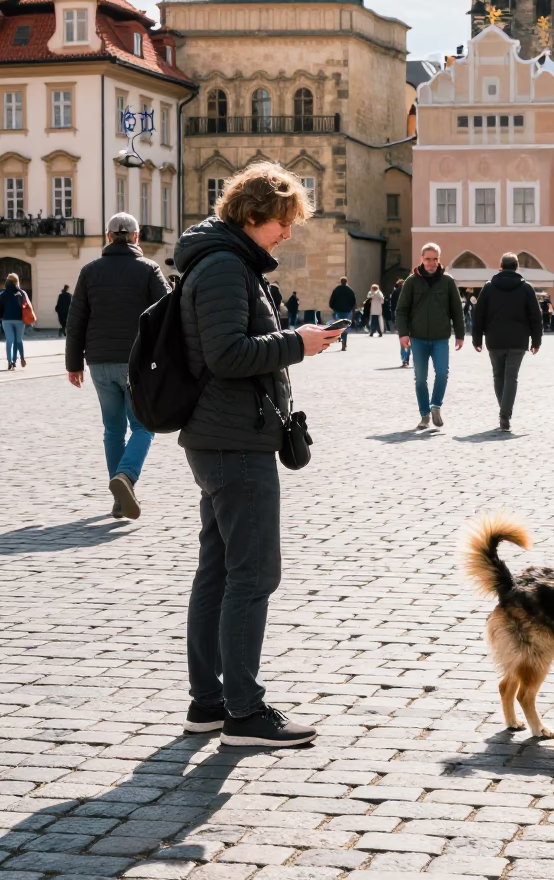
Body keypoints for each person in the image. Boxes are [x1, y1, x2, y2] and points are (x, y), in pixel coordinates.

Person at [176, 161, 340, 747]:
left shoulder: (226, 260)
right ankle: (243, 712)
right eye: (282, 222)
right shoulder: (224, 267)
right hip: (234, 441)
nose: (288, 233)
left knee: (219, 571)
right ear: (252, 216)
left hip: (225, 437)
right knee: (252, 574)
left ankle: (209, 704)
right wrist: (298, 342)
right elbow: (227, 354)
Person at [65, 214, 170, 519]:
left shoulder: (89, 271)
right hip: (137, 362)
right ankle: (125, 477)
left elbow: (76, 322)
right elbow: (165, 316)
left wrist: (74, 363)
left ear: (109, 237)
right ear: (136, 237)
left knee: (112, 429)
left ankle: (120, 497)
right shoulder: (149, 269)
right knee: (143, 426)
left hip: (99, 361)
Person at [395, 242, 465, 430]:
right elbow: (401, 310)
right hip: (417, 338)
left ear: (439, 260)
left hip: (440, 337)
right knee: (420, 379)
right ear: (422, 259)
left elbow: (457, 310)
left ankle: (436, 406)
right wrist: (403, 334)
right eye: (428, 259)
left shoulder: (448, 281)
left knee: (442, 373)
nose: (431, 263)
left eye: (435, 259)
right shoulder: (411, 281)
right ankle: (424, 414)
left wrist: (460, 334)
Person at [472, 252, 542, 431]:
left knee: (498, 376)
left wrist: (477, 338)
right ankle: (505, 414)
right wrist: (536, 341)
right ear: (517, 267)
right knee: (512, 377)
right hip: (518, 339)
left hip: (495, 339)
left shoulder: (488, 287)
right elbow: (536, 316)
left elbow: (478, 314)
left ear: (500, 267)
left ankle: (504, 411)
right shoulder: (526, 288)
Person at [0, 273, 30, 369]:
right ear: (17, 281)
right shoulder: (21, 293)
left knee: (9, 340)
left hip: (6, 320)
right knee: (18, 340)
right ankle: (18, 358)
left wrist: (2, 316)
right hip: (19, 320)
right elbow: (28, 306)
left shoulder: (2, 294)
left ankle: (10, 361)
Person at [328, 276, 356, 350]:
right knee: (345, 327)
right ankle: (344, 342)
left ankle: (339, 339)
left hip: (338, 311)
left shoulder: (337, 290)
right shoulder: (350, 290)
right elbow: (353, 301)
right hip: (347, 311)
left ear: (341, 282)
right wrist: (350, 309)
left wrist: (334, 308)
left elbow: (331, 300)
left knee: (338, 326)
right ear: (346, 282)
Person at [390, 278, 410, 367]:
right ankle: (408, 358)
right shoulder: (411, 290)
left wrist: (393, 317)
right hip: (412, 317)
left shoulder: (395, 292)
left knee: (402, 339)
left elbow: (392, 305)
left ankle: (404, 360)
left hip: (400, 317)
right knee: (412, 340)